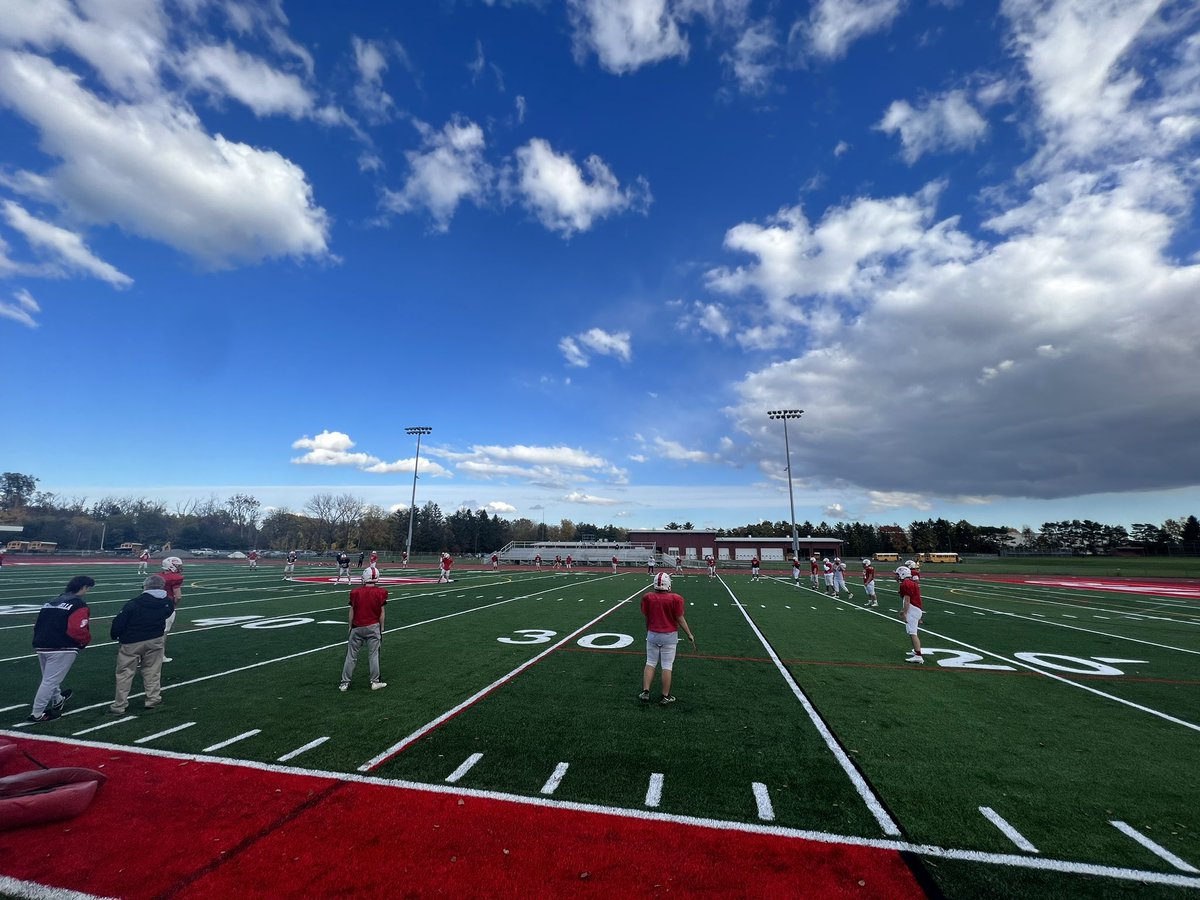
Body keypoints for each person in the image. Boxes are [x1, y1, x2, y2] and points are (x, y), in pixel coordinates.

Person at [28, 575, 94, 723]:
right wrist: (84, 641)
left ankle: (58, 699)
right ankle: (37, 713)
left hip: (42, 643)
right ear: (83, 587)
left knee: (49, 677)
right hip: (63, 646)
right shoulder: (78, 604)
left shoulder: (51, 601)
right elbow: (77, 628)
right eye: (88, 588)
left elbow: (37, 624)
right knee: (50, 680)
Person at [109, 574, 175, 713]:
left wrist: (115, 635)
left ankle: (120, 704)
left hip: (131, 641)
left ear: (145, 586)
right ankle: (153, 699)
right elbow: (168, 614)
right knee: (152, 671)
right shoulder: (167, 602)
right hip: (155, 639)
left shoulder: (134, 603)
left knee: (125, 673)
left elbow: (119, 623)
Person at [639, 573, 696, 706]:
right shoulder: (675, 598)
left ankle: (646, 691)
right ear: (668, 584)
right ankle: (665, 696)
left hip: (652, 633)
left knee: (650, 662)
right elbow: (680, 618)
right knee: (667, 665)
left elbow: (647, 617)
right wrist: (689, 634)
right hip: (669, 635)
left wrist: (649, 630)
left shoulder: (648, 597)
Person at [339, 568, 388, 691]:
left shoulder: (355, 592)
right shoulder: (381, 592)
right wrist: (381, 627)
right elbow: (382, 613)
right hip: (373, 626)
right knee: (373, 655)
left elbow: (352, 611)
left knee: (351, 656)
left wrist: (350, 626)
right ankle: (375, 681)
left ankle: (344, 683)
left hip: (357, 626)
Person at [896, 565, 924, 663]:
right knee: (911, 632)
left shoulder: (906, 584)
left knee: (913, 633)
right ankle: (916, 652)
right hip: (916, 609)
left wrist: (904, 612)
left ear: (902, 574)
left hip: (913, 609)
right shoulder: (910, 582)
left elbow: (907, 600)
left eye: (897, 574)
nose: (896, 576)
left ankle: (918, 655)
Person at [160, 556, 184, 663]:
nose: (179, 568)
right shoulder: (174, 578)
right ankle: (160, 655)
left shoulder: (157, 576)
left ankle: (142, 656)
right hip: (166, 607)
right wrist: (174, 605)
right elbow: (178, 596)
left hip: (152, 607)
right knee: (162, 633)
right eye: (178, 566)